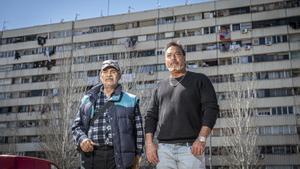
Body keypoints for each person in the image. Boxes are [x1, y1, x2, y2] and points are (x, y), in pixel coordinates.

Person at [144, 41, 219, 169]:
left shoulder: (200, 80)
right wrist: (149, 144)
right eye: (169, 55)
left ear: (184, 58)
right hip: (164, 151)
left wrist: (201, 139)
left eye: (177, 54)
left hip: (191, 148)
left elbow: (211, 110)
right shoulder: (159, 86)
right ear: (165, 61)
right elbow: (150, 116)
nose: (173, 58)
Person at [72, 60, 144, 169]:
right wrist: (82, 139)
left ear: (119, 76)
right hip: (91, 156)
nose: (109, 75)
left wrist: (138, 154)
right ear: (100, 76)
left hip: (119, 157)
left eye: (113, 71)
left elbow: (138, 131)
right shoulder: (88, 99)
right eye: (105, 72)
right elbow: (77, 126)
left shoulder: (131, 100)